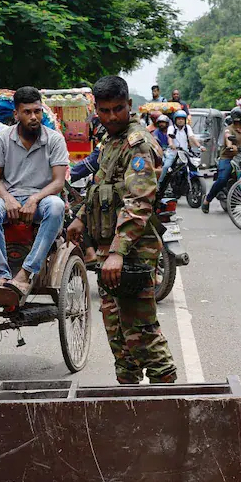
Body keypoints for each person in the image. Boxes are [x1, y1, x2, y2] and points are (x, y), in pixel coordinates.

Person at [67, 75, 177, 385]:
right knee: (118, 335)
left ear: (129, 105)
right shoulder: (109, 140)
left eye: (118, 109)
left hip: (132, 252)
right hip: (109, 252)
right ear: (97, 111)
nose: (112, 116)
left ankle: (167, 401)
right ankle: (130, 401)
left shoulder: (137, 143)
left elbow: (138, 201)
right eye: (104, 110)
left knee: (140, 332)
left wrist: (117, 251)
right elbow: (101, 187)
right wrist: (80, 217)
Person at [0, 86, 70, 296]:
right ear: (16, 114)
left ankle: (25, 273)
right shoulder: (2, 138)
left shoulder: (54, 139)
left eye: (37, 111)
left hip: (42, 198)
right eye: (27, 112)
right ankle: (1, 274)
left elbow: (58, 181)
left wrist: (35, 198)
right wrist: (7, 198)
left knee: (56, 206)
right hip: (10, 197)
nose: (34, 117)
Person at [202, 109, 241, 213]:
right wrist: (231, 146)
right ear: (237, 118)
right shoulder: (229, 129)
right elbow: (228, 139)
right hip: (228, 158)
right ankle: (207, 200)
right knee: (222, 179)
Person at [160, 110, 199, 188]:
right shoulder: (171, 128)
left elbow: (192, 137)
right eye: (179, 119)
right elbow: (170, 137)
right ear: (175, 120)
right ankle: (159, 183)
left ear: (185, 120)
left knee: (194, 165)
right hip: (173, 152)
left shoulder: (187, 128)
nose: (181, 120)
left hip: (184, 152)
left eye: (182, 119)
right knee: (166, 166)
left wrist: (199, 146)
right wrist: (171, 144)